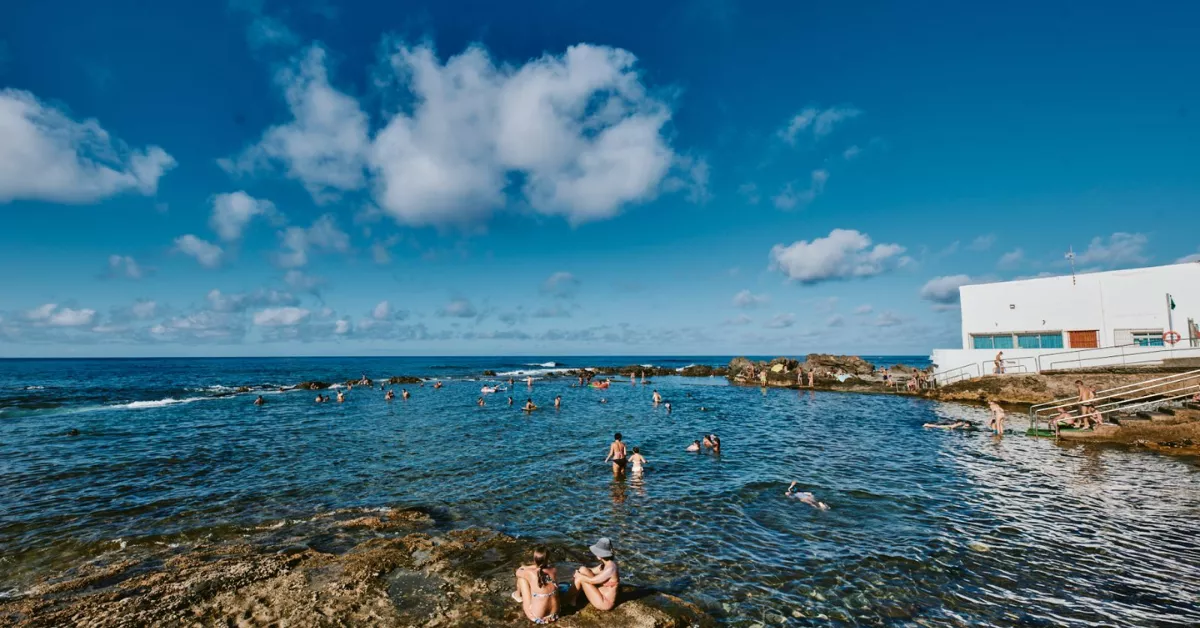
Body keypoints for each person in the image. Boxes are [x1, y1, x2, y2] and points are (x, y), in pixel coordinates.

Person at [567, 538, 619, 612]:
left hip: (605, 602)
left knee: (580, 578)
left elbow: (592, 581)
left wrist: (579, 576)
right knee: (583, 569)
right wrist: (579, 571)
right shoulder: (606, 564)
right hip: (601, 592)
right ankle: (573, 599)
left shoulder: (610, 568)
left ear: (600, 555)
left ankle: (568, 599)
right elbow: (591, 570)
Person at [512, 546, 559, 624]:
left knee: (521, 580)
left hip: (537, 617)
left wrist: (526, 567)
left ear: (534, 559)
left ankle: (517, 596)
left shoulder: (530, 573)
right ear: (547, 559)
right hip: (555, 614)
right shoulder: (553, 570)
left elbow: (518, 572)